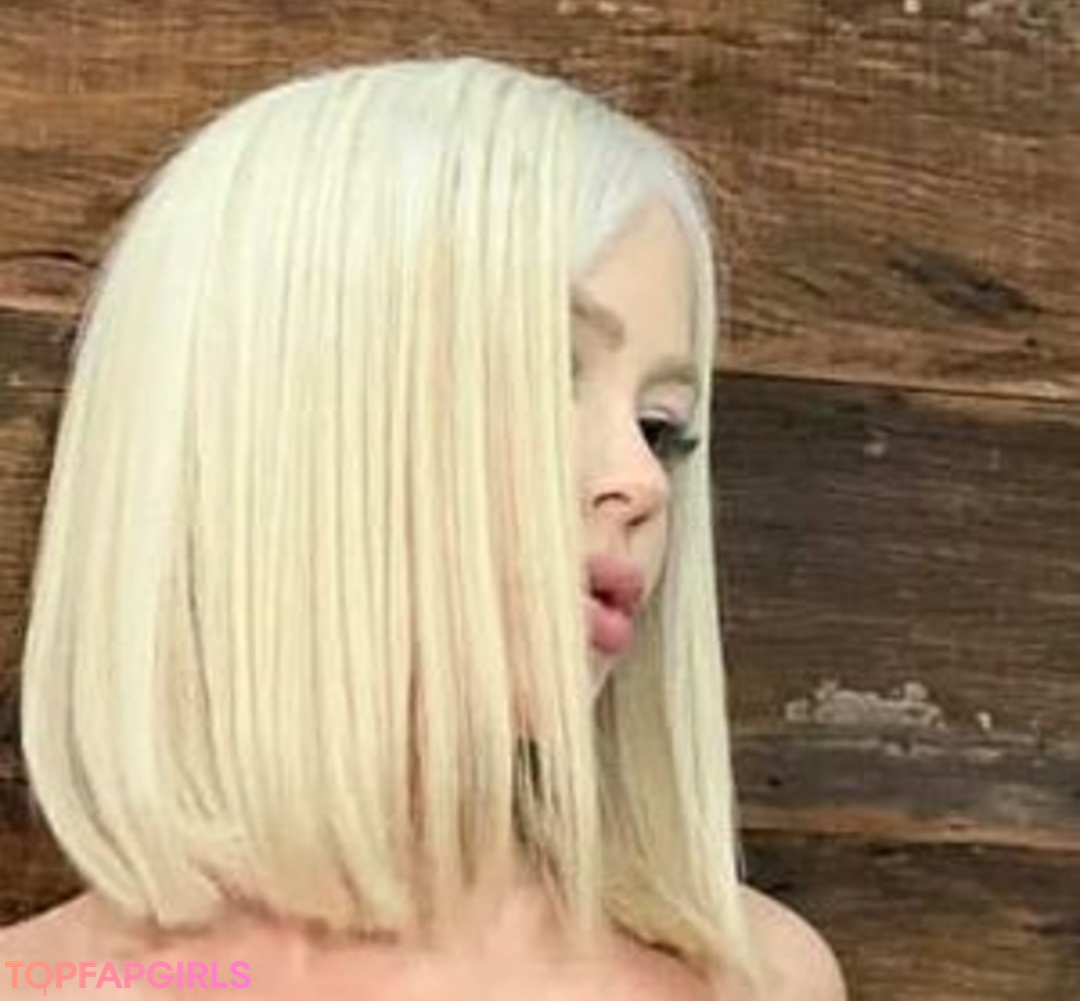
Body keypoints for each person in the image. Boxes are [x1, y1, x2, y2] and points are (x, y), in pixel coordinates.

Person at [1, 56, 847, 999]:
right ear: (290, 410)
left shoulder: (751, 979)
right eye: (546, 369)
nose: (643, 480)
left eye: (661, 427)